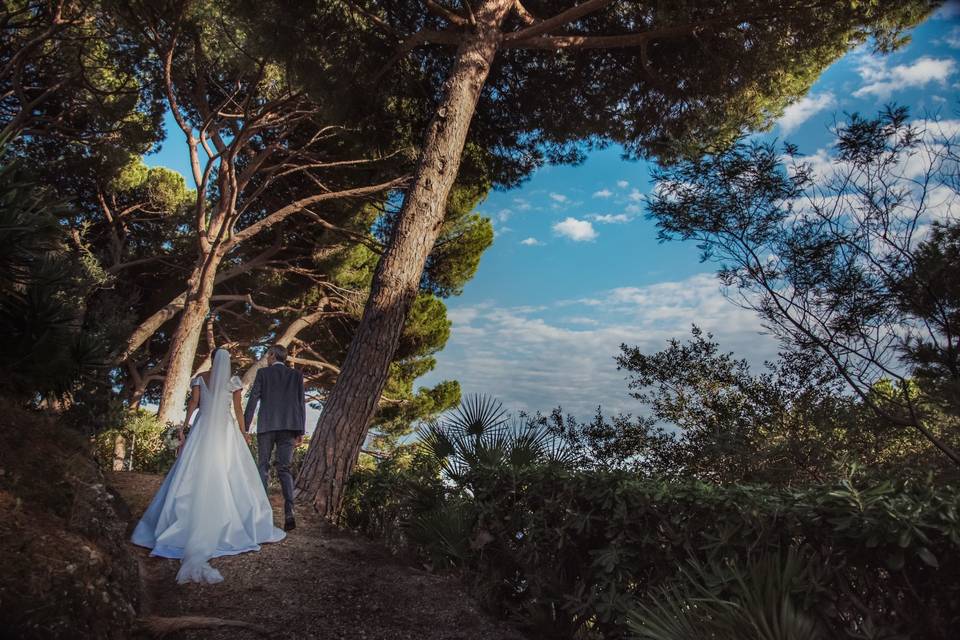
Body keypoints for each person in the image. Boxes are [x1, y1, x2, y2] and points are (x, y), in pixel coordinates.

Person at [131, 348, 286, 584]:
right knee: (231, 471)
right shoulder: (233, 382)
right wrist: (243, 433)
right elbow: (237, 411)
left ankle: (178, 526)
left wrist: (183, 427)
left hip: (202, 430)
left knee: (190, 472)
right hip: (225, 432)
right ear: (228, 362)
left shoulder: (200, 378)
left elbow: (193, 403)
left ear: (212, 359)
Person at [243, 344, 306, 532]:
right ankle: (289, 512)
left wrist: (244, 427)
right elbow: (300, 403)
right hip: (289, 427)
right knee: (284, 468)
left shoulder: (263, 374)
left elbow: (253, 400)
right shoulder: (296, 375)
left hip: (267, 425)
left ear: (272, 355)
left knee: (263, 466)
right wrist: (300, 431)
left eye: (267, 355)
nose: (267, 358)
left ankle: (263, 512)